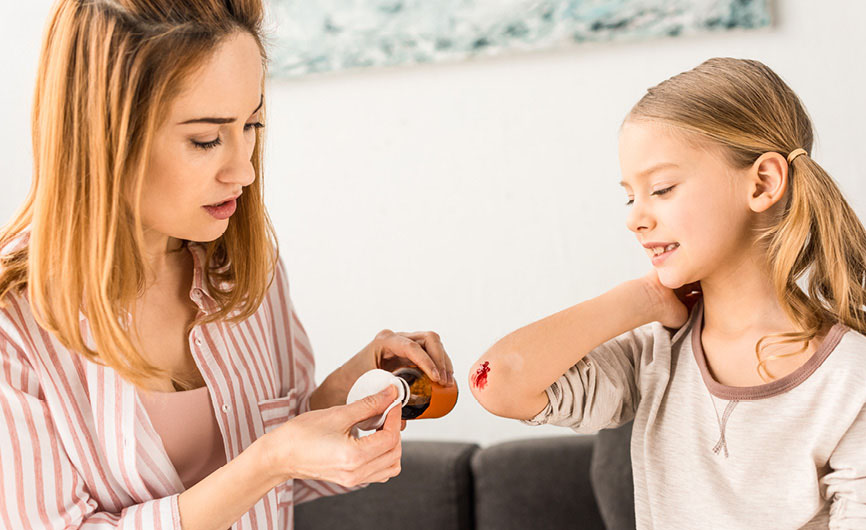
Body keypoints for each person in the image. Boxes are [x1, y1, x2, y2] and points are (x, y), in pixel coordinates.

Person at [0, 1, 454, 528]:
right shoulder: (15, 325)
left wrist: (352, 391)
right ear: (105, 135)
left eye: (253, 124)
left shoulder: (246, 271)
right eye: (206, 139)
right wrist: (268, 461)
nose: (243, 169)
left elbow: (281, 480)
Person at [470, 58, 866, 528]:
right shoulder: (657, 353)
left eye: (661, 188)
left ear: (763, 182)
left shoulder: (850, 379)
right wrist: (638, 299)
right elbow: (497, 383)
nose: (635, 217)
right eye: (629, 195)